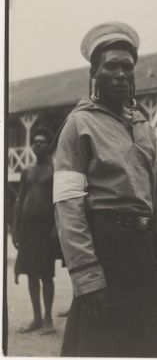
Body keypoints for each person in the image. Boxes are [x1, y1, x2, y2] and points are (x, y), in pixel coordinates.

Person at [53, 22, 157, 357]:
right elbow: (68, 208)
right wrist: (87, 276)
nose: (121, 74)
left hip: (143, 255)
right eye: (111, 66)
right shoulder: (78, 125)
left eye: (127, 67)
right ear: (94, 72)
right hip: (105, 254)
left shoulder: (144, 127)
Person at [12, 126, 56, 335]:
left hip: (45, 230)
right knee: (30, 274)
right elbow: (20, 200)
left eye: (42, 142)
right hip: (28, 230)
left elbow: (59, 203)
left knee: (46, 275)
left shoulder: (56, 170)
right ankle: (37, 318)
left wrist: (56, 229)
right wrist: (16, 228)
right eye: (35, 141)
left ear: (49, 146)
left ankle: (48, 320)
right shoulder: (27, 171)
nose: (38, 144)